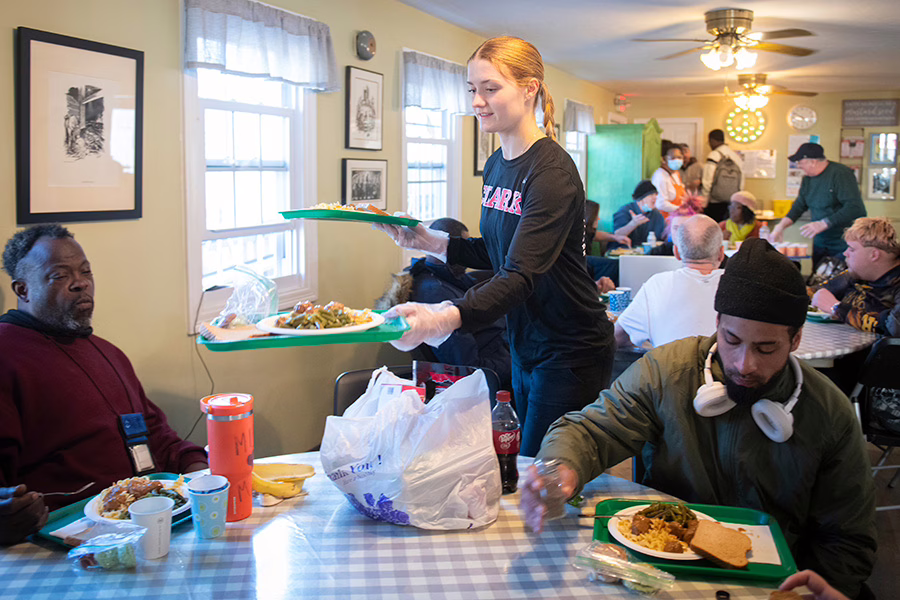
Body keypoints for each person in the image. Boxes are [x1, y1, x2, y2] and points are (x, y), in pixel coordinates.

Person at [522, 238, 876, 599]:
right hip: (664, 571)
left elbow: (847, 539)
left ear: (796, 339)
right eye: (732, 339)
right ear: (718, 322)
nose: (744, 364)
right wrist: (561, 468)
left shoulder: (830, 412)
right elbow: (592, 429)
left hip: (777, 583)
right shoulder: (667, 371)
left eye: (766, 348)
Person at [374, 36, 614, 457]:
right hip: (523, 339)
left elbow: (520, 274)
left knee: (544, 471)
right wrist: (430, 241)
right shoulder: (497, 165)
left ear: (529, 88)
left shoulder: (551, 171)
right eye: (472, 90)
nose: (478, 101)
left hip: (569, 346)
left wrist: (442, 319)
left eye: (490, 88)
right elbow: (500, 251)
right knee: (521, 462)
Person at [0, 225, 207, 545]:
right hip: (69, 536)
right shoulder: (6, 355)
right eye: (59, 275)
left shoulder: (108, 352)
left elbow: (157, 435)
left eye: (85, 271)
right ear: (23, 290)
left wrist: (202, 470)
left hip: (155, 516)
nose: (81, 283)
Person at [375, 218, 512, 390]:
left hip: (502, 351)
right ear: (450, 248)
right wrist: (516, 361)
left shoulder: (449, 278)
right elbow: (468, 367)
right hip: (488, 376)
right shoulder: (435, 294)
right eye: (463, 250)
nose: (467, 259)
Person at [615, 214, 724, 349]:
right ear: (721, 253)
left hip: (668, 369)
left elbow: (617, 337)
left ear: (676, 252)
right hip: (718, 369)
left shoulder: (657, 284)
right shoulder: (736, 284)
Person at [770, 143, 867, 266]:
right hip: (820, 243)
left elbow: (855, 208)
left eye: (801, 162)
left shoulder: (840, 174)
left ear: (813, 162)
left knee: (839, 281)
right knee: (818, 280)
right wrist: (780, 227)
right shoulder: (808, 180)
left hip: (843, 243)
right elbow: (799, 206)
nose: (799, 166)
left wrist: (825, 223)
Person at [810, 216, 899, 336]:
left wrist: (836, 308)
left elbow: (894, 328)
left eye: (851, 249)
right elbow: (815, 292)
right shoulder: (855, 273)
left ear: (874, 254)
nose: (845, 253)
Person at [584, 199, 628, 292]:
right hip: (584, 262)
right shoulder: (577, 231)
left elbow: (596, 235)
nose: (599, 218)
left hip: (586, 261)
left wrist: (615, 238)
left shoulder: (589, 230)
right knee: (614, 265)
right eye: (596, 216)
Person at [701, 129, 745, 223]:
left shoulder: (714, 155)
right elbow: (741, 181)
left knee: (713, 229)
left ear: (712, 140)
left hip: (714, 202)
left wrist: (704, 200)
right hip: (731, 201)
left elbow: (707, 180)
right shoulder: (736, 156)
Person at [611, 180, 667, 249]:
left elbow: (662, 237)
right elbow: (617, 235)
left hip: (647, 255)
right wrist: (633, 223)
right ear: (640, 198)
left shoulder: (657, 215)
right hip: (623, 252)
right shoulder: (625, 211)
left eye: (656, 194)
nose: (655, 197)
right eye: (651, 194)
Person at [650, 140, 686, 215]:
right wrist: (680, 210)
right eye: (673, 158)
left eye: (679, 157)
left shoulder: (675, 174)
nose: (677, 160)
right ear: (664, 159)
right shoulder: (659, 175)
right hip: (665, 219)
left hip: (676, 216)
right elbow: (660, 203)